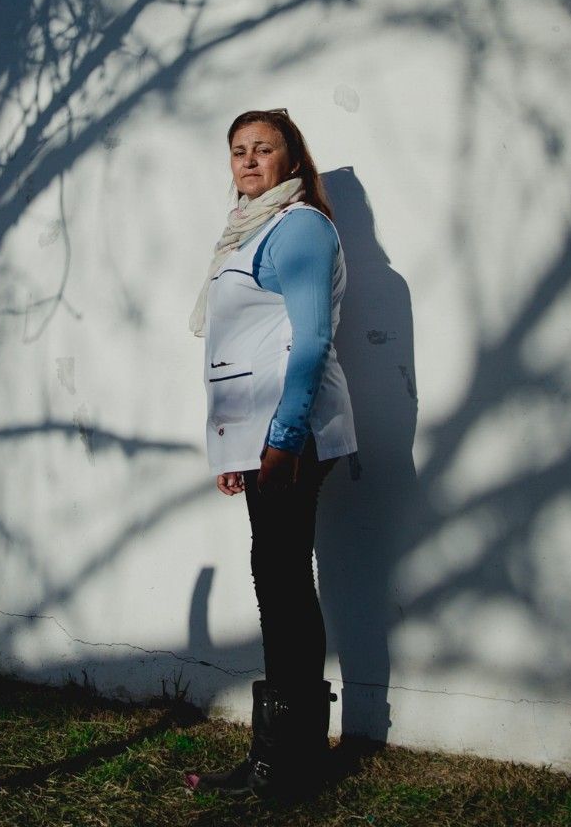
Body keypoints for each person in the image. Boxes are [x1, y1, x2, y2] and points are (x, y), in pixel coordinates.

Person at [184, 108, 356, 801]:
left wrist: (283, 441)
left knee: (282, 585)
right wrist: (234, 446)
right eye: (238, 151)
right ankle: (283, 758)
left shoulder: (301, 227)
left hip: (295, 430)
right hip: (262, 436)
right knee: (277, 583)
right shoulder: (249, 231)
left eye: (263, 149)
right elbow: (242, 347)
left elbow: (309, 342)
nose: (249, 161)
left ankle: (286, 764)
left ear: (291, 159)